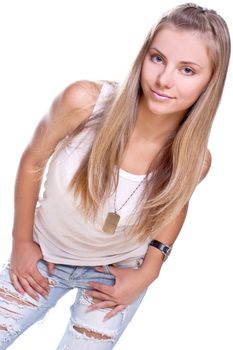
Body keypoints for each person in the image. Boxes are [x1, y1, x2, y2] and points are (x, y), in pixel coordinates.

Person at [0, 2, 231, 349]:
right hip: (44, 256)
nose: (164, 80)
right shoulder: (84, 101)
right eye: (157, 58)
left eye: (187, 70)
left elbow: (174, 207)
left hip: (115, 272)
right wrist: (20, 242)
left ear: (210, 82)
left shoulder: (196, 160)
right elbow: (33, 159)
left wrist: (149, 271)